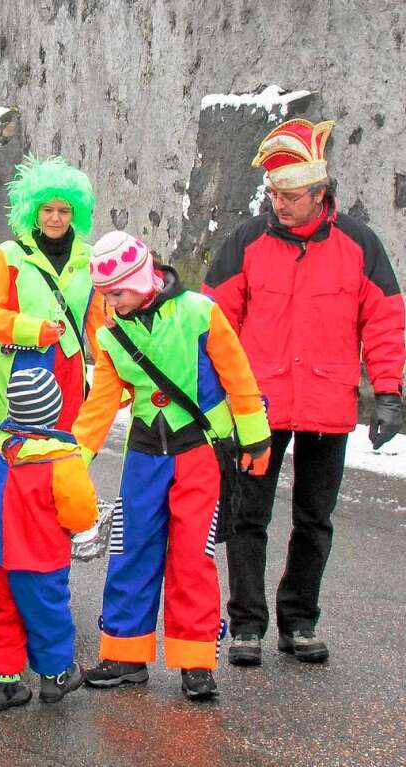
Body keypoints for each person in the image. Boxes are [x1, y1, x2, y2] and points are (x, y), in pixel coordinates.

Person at [203, 118, 405, 666]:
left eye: (290, 196)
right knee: (248, 516)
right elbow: (212, 322)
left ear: (321, 194)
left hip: (327, 403)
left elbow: (385, 320)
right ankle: (246, 624)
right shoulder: (246, 241)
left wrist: (387, 393)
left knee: (314, 519)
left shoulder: (360, 245)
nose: (279, 204)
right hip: (256, 408)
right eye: (273, 194)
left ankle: (300, 619)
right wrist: (213, 396)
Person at [71, 231, 272, 701]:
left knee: (192, 558)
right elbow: (101, 401)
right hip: (144, 456)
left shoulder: (200, 313)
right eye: (104, 296)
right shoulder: (111, 330)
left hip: (198, 453)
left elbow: (239, 377)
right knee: (130, 550)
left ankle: (195, 660)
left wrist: (257, 440)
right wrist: (73, 460)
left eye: (117, 293)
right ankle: (124, 653)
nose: (110, 303)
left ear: (143, 281)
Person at [0, 367, 98, 710]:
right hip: (40, 556)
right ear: (53, 412)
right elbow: (80, 513)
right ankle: (56, 676)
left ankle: (2, 684)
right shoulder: (61, 460)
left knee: (2, 612)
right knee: (48, 615)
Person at [0, 155, 104, 431]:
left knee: (65, 459)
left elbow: (100, 329)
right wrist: (34, 329)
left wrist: (112, 380)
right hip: (20, 370)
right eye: (47, 209)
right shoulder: (8, 255)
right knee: (15, 460)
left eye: (64, 211)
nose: (55, 218)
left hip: (69, 374)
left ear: (76, 213)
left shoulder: (91, 259)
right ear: (34, 210)